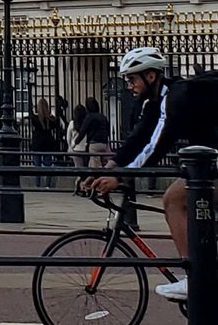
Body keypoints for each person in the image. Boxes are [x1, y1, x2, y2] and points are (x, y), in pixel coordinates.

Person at [87, 46, 218, 303]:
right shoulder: (157, 101)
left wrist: (121, 177)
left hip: (211, 163)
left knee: (173, 199)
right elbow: (138, 139)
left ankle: (196, 279)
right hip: (209, 163)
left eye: (132, 78)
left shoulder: (176, 98)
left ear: (150, 76)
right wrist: (110, 167)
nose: (128, 85)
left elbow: (156, 145)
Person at [30, 98, 59, 189]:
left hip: (37, 144)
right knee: (48, 165)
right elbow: (56, 123)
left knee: (37, 166)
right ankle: (47, 184)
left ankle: (38, 184)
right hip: (48, 144)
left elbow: (31, 116)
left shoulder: (35, 119)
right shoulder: (50, 120)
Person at [79, 97, 111, 170]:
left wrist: (76, 141)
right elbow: (108, 129)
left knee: (95, 166)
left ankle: (97, 179)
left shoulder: (89, 117)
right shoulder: (102, 116)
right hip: (104, 143)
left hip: (94, 143)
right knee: (104, 164)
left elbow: (83, 130)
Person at [66, 103, 88, 195]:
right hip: (86, 148)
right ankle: (84, 187)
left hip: (76, 149)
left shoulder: (72, 123)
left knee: (79, 170)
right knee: (86, 170)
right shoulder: (86, 122)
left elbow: (68, 137)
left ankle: (80, 188)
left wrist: (70, 146)